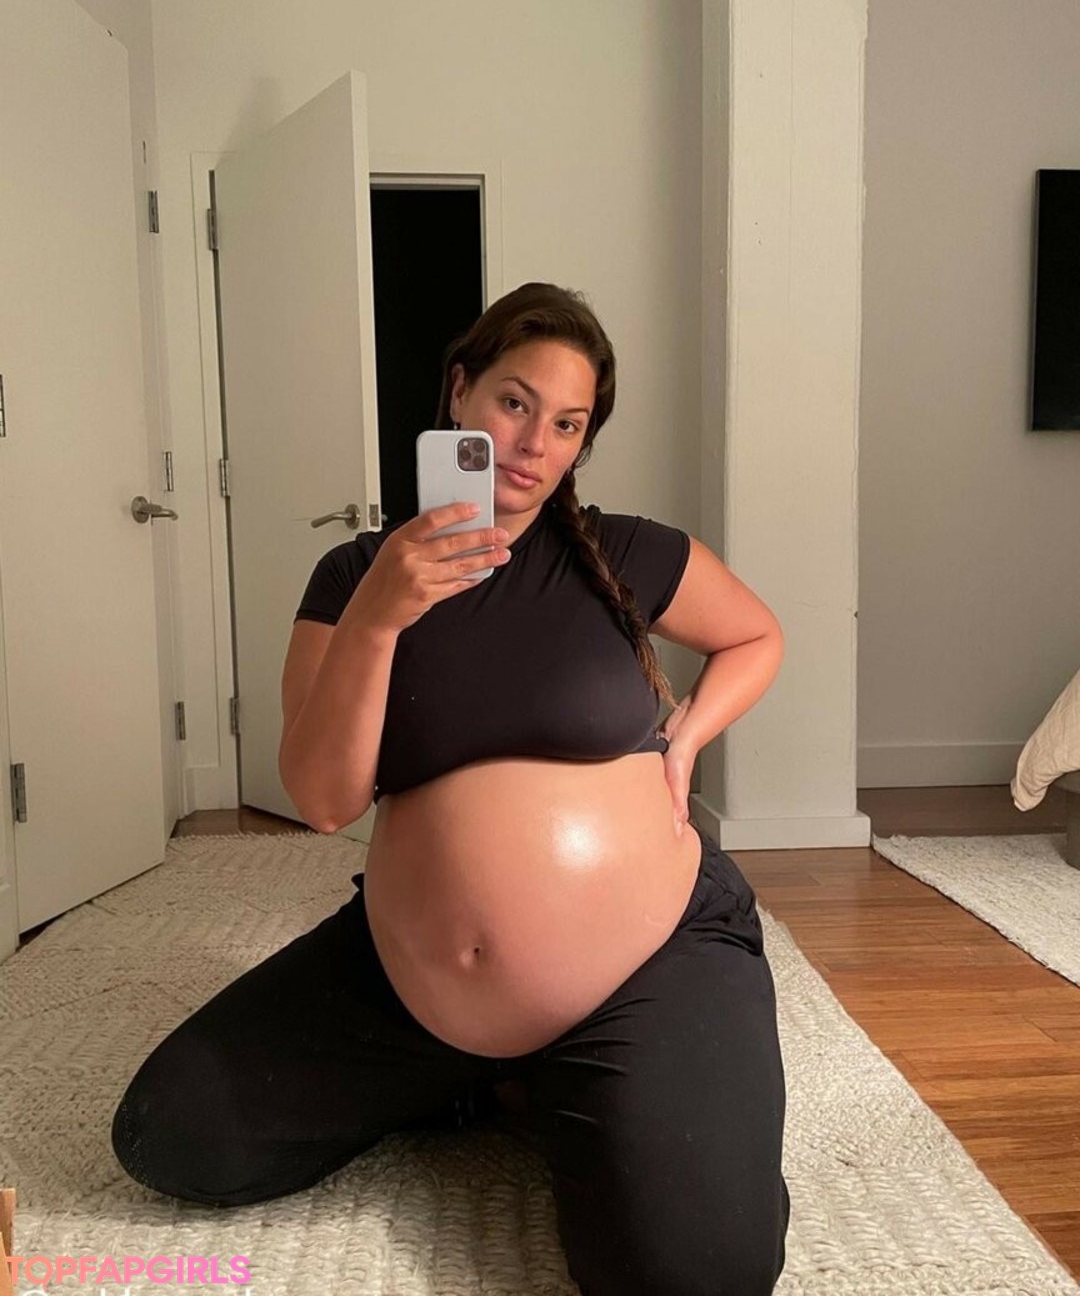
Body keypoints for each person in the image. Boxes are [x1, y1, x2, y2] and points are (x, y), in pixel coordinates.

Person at [111, 282, 790, 1296]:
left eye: (567, 424)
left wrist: (689, 734)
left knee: (698, 1273)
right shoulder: (353, 574)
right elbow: (324, 798)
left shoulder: (625, 553)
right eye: (515, 403)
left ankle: (563, 1068)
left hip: (649, 956)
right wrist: (381, 613)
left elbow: (756, 634)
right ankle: (495, 1074)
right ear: (461, 391)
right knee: (171, 1133)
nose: (534, 444)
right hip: (411, 978)